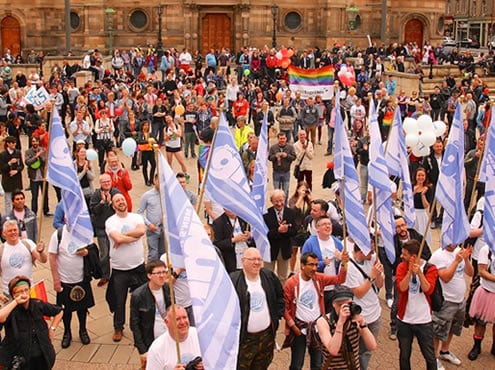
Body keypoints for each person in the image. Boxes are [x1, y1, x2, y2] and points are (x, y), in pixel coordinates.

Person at [282, 251, 348, 370]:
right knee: (297, 365)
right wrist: (292, 326)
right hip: (299, 329)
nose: (314, 268)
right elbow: (284, 308)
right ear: (302, 265)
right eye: (311, 265)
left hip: (317, 329)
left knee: (317, 364)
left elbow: (340, 279)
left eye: (316, 265)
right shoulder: (291, 283)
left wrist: (344, 264)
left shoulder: (319, 279)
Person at [230, 247, 284, 370]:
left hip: (266, 337)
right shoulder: (234, 280)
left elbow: (280, 296)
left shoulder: (268, 276)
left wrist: (278, 316)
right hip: (245, 340)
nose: (257, 262)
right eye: (253, 259)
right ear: (243, 261)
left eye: (259, 259)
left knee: (262, 366)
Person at [105, 193, 147, 342]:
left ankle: (141, 324)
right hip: (120, 269)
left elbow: (141, 231)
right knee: (119, 300)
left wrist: (124, 236)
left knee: (141, 298)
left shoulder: (136, 217)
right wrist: (131, 237)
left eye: (122, 199)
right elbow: (117, 238)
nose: (121, 202)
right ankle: (118, 327)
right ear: (113, 205)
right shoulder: (111, 221)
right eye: (117, 201)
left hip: (138, 267)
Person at [0, 276, 63, 369]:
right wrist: (15, 302)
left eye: (26, 290)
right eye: (20, 292)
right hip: (22, 361)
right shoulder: (10, 310)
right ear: (13, 294)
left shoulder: (38, 304)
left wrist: (52, 329)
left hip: (43, 357)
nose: (24, 294)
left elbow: (59, 311)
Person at [48, 224, 95, 349]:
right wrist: (56, 279)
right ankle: (67, 333)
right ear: (65, 218)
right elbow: (52, 257)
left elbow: (93, 249)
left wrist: (86, 252)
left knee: (82, 309)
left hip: (81, 279)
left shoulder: (84, 232)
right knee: (66, 310)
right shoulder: (58, 235)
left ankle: (83, 330)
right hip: (65, 280)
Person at [396, 239, 438, 370]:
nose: (401, 256)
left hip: (423, 320)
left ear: (414, 256)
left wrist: (419, 273)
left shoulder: (430, 268)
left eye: (404, 254)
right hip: (404, 319)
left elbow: (428, 289)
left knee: (429, 356)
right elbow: (401, 288)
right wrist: (409, 273)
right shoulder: (401, 267)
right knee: (404, 355)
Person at [430, 243, 473, 369]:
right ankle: (434, 358)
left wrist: (465, 259)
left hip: (460, 300)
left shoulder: (460, 251)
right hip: (446, 302)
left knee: (452, 328)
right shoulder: (438, 256)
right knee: (437, 332)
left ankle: (445, 351)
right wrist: (456, 261)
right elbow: (445, 278)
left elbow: (470, 273)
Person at [317, 285, 377, 370]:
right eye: (340, 305)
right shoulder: (323, 322)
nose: (345, 309)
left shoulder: (355, 319)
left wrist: (363, 325)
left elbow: (372, 346)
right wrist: (340, 324)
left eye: (348, 304)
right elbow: (333, 350)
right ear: (333, 304)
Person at [345, 244, 384, 369]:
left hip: (375, 313)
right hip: (359, 315)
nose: (372, 254)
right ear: (361, 251)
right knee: (355, 350)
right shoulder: (349, 266)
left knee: (367, 351)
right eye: (370, 251)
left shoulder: (373, 259)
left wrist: (378, 274)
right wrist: (372, 276)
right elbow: (359, 293)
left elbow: (380, 285)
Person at [130, 259, 171, 370]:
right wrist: (142, 350)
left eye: (164, 272)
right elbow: (134, 324)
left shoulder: (168, 289)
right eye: (158, 273)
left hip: (167, 335)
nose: (162, 276)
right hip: (150, 339)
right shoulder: (138, 295)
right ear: (149, 275)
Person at [0, 219, 47, 300]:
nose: (13, 232)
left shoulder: (27, 243)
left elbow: (43, 260)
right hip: (10, 294)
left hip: (28, 291)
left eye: (15, 230)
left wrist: (41, 252)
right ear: (4, 234)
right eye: (10, 231)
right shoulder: (1, 250)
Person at [146, 305, 203, 370]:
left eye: (184, 317)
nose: (182, 322)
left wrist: (205, 366)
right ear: (166, 322)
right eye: (177, 319)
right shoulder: (157, 349)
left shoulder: (200, 335)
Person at [89, 174, 121, 286]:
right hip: (102, 229)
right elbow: (94, 211)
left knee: (118, 251)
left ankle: (119, 274)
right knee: (104, 254)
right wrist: (102, 203)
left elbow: (122, 208)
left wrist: (112, 203)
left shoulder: (116, 193)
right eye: (104, 182)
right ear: (100, 183)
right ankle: (105, 275)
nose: (107, 183)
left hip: (115, 229)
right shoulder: (96, 195)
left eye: (108, 181)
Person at [467, 242, 495, 361]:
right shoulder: (486, 249)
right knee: (480, 322)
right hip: (487, 291)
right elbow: (482, 271)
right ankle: (476, 346)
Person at [263, 190, 297, 283]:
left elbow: (294, 231)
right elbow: (265, 233)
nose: (279, 204)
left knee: (283, 277)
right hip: (270, 250)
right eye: (276, 201)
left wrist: (286, 230)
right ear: (271, 201)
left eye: (281, 200)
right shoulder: (266, 214)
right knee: (268, 277)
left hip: (284, 250)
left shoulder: (290, 213)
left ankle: (282, 295)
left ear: (285, 199)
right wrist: (278, 231)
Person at [212, 209, 253, 273]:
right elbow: (217, 244)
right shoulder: (219, 222)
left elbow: (251, 240)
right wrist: (233, 240)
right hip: (231, 260)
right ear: (224, 209)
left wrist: (249, 237)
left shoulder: (243, 219)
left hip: (246, 256)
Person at [137, 175, 164, 261]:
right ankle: (151, 272)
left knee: (163, 254)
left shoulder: (167, 195)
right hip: (152, 229)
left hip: (165, 229)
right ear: (154, 180)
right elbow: (140, 212)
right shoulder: (147, 195)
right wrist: (149, 224)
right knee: (153, 254)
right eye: (159, 181)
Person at [288, 182, 312, 276]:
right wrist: (300, 197)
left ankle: (303, 269)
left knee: (304, 252)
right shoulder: (293, 199)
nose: (303, 192)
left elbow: (314, 209)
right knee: (293, 252)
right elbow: (293, 211)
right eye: (302, 189)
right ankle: (292, 270)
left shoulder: (308, 201)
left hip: (305, 230)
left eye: (305, 190)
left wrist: (310, 198)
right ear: (297, 189)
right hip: (295, 230)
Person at [24, 135, 50, 216]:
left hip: (43, 176)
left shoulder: (43, 150)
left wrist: (41, 156)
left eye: (36, 141)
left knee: (45, 195)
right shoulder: (28, 152)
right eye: (33, 141)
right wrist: (36, 157)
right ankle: (34, 212)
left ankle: (46, 210)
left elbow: (45, 161)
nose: (35, 143)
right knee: (34, 196)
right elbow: (27, 162)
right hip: (34, 177)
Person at [268, 132, 296, 201]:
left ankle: (285, 207)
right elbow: (269, 158)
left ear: (286, 138)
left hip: (286, 172)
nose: (282, 140)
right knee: (276, 192)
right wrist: (275, 156)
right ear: (278, 139)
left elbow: (294, 157)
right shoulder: (273, 147)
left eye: (284, 138)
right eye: (281, 139)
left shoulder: (290, 147)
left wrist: (287, 156)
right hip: (276, 172)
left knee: (285, 192)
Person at [0, 136, 24, 214]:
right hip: (7, 181)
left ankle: (17, 214)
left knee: (17, 200)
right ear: (8, 144)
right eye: (12, 143)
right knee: (8, 201)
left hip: (16, 181)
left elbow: (21, 166)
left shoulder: (18, 152)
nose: (14, 144)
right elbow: (2, 167)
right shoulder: (2, 154)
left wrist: (16, 171)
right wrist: (9, 163)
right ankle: (8, 217)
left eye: (15, 143)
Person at [136, 121, 157, 187]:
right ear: (142, 126)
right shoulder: (140, 133)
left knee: (153, 165)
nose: (146, 127)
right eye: (145, 125)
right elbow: (139, 141)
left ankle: (151, 179)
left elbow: (155, 140)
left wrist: (154, 142)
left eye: (147, 125)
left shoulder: (150, 133)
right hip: (144, 152)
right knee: (145, 166)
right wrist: (148, 141)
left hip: (151, 151)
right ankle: (146, 180)